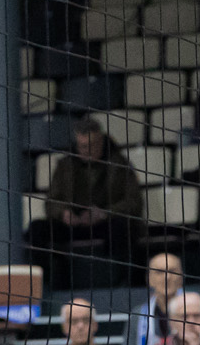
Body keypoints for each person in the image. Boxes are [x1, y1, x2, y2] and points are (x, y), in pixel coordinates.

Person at [28, 117, 141, 288]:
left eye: (92, 145)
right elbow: (51, 201)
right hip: (73, 225)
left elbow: (133, 202)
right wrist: (63, 213)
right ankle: (49, 284)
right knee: (37, 229)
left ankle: (122, 284)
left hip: (107, 223)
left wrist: (104, 214)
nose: (87, 151)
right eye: (82, 146)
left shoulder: (120, 164)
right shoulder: (65, 166)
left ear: (101, 141)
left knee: (124, 228)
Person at [127, 252, 185, 345]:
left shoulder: (196, 309)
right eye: (159, 272)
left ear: (181, 277)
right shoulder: (138, 314)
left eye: (172, 271)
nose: (167, 277)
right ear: (149, 279)